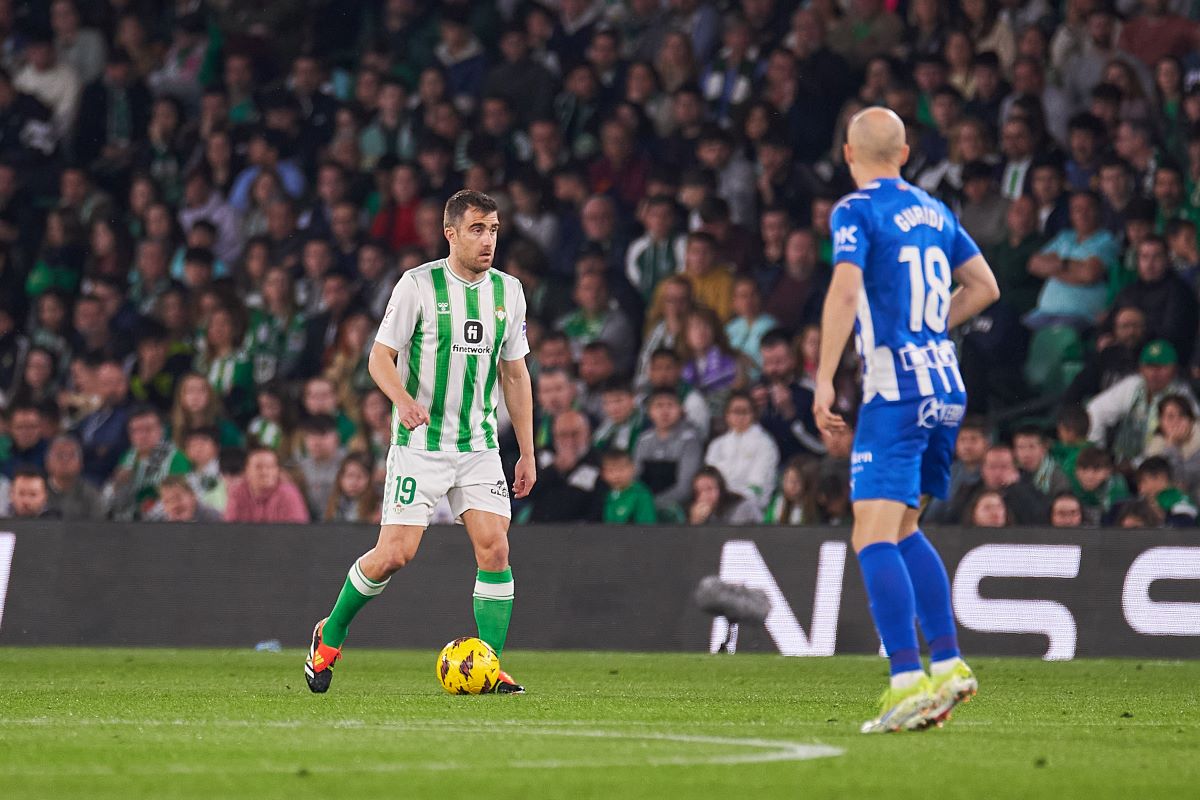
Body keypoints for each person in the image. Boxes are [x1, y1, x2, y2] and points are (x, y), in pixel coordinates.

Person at [812, 108, 999, 733]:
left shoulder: (855, 210)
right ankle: (947, 664)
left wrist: (823, 379)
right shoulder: (937, 211)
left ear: (848, 154)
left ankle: (906, 681)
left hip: (897, 387)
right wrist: (929, 330)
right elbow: (984, 286)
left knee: (870, 536)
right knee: (906, 525)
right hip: (946, 384)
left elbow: (844, 291)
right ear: (905, 151)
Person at [305, 190, 534, 696]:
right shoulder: (418, 286)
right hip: (421, 445)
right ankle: (331, 632)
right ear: (450, 233)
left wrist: (527, 451)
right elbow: (379, 358)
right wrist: (403, 401)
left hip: (478, 446)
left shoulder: (509, 292)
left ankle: (489, 666)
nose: (488, 239)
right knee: (395, 555)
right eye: (477, 229)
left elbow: (514, 374)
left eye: (494, 229)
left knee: (495, 549)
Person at [704, 391, 779, 509]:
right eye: (735, 412)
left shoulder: (765, 444)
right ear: (727, 415)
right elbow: (709, 478)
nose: (740, 417)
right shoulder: (717, 445)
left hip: (750, 504)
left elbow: (758, 485)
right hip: (718, 501)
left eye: (745, 412)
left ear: (754, 414)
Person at [223, 446, 311, 524]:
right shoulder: (237, 492)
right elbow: (229, 530)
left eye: (270, 467)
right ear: (247, 470)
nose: (264, 472)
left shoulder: (289, 494)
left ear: (277, 471)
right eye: (258, 467)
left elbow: (297, 533)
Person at [599, 448, 658, 524]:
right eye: (611, 470)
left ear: (632, 468)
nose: (617, 475)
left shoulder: (641, 494)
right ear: (603, 474)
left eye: (621, 469)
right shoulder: (603, 493)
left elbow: (647, 528)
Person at [687, 465, 761, 525]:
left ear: (721, 488)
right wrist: (695, 522)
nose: (704, 496)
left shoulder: (741, 507)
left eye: (709, 489)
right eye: (698, 492)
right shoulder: (703, 515)